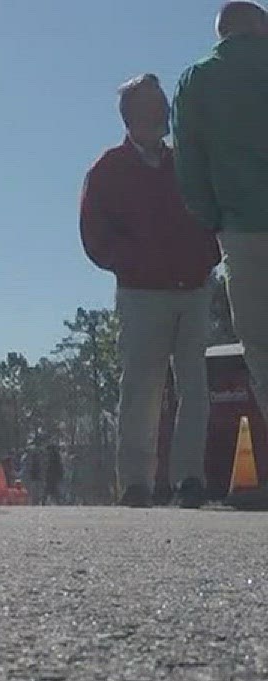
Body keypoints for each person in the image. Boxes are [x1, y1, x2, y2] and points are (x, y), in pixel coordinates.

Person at [174, 4, 268, 504]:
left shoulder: (196, 82)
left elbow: (188, 163)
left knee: (262, 345)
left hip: (243, 229)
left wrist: (213, 217)